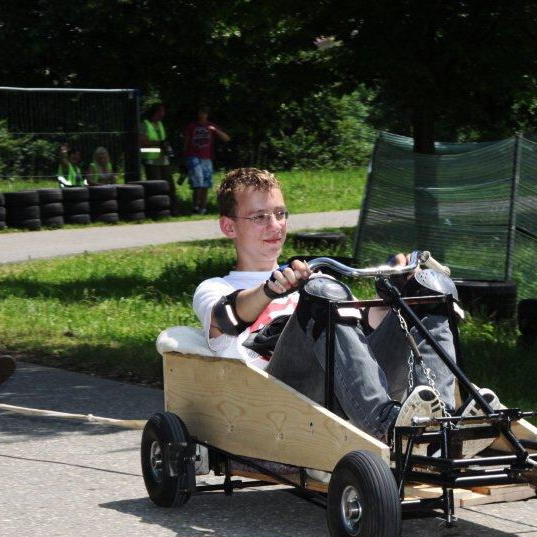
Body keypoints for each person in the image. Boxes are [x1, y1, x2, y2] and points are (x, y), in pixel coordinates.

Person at [191, 168, 500, 456]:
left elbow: (367, 332)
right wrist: (271, 290)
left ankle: (438, 428)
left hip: (349, 391)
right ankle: (386, 430)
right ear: (228, 226)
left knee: (430, 287)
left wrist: (396, 293)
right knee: (322, 293)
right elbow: (225, 320)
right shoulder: (215, 288)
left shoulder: (316, 280)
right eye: (259, 217)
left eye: (280, 214)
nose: (275, 226)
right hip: (285, 397)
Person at [181, 106, 230, 214]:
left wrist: (215, 130)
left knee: (206, 184)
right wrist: (184, 158)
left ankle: (203, 208)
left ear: (207, 114)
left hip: (207, 158)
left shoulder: (211, 126)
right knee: (198, 182)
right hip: (193, 156)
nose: (202, 115)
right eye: (200, 112)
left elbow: (227, 138)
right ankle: (195, 207)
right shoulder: (191, 126)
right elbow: (186, 142)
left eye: (204, 113)